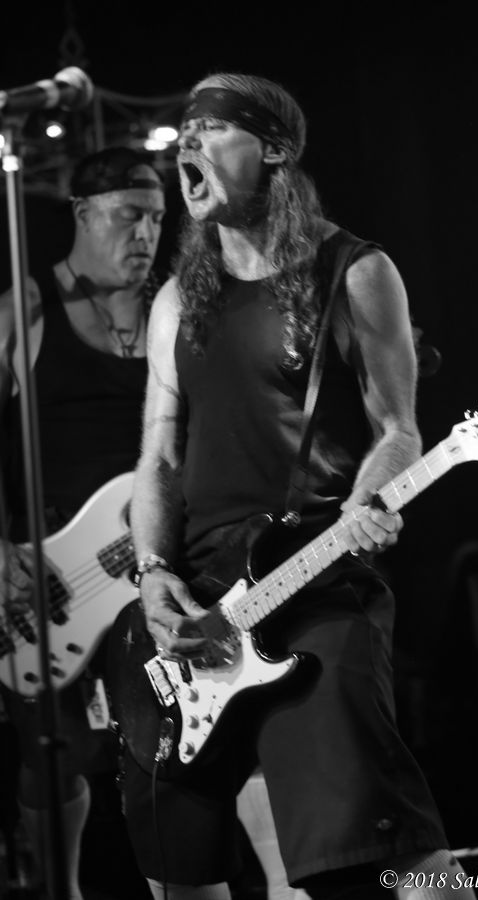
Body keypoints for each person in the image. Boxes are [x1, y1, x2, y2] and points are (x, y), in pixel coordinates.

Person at [121, 72, 478, 900]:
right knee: (180, 875)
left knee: (378, 860)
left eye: (213, 127)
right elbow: (158, 456)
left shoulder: (354, 270)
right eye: (184, 131)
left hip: (315, 583)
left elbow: (398, 429)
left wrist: (366, 502)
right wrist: (153, 572)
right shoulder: (176, 300)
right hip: (198, 609)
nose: (189, 142)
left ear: (276, 148)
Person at [0, 145, 166, 900]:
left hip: (153, 559)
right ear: (82, 214)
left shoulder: (173, 310)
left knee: (176, 739)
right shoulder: (25, 311)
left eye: (157, 220)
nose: (146, 235)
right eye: (129, 216)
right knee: (54, 750)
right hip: (52, 573)